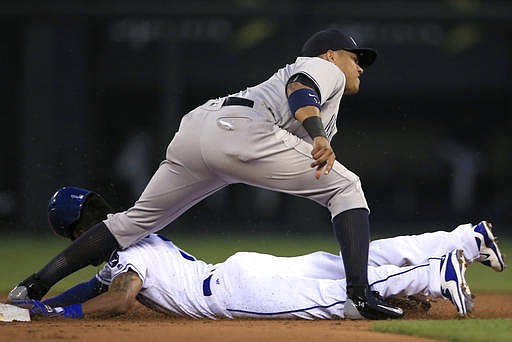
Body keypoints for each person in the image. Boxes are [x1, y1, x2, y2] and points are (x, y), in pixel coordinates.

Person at [3, 28, 466, 319]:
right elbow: (300, 88)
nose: (359, 63)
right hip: (240, 130)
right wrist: (318, 135)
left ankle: (32, 286)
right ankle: (359, 296)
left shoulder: (327, 101)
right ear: (330, 55)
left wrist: (316, 135)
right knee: (348, 187)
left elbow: (297, 132)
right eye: (353, 55)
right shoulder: (316, 68)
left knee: (133, 222)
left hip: (195, 130)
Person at [11, 187, 505, 320]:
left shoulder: (124, 259)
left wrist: (61, 311)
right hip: (241, 269)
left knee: (336, 296)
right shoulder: (135, 235)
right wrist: (46, 304)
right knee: (352, 260)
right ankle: (463, 240)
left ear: (70, 236)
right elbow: (90, 283)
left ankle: (435, 274)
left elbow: (117, 299)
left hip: (239, 290)